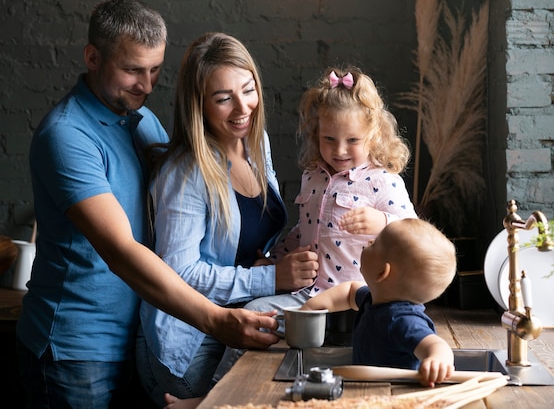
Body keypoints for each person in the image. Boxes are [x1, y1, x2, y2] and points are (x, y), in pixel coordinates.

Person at [15, 0, 280, 409]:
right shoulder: (66, 136)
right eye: (132, 70)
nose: (147, 85)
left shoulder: (143, 123)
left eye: (155, 70)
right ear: (92, 57)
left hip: (142, 332)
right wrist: (216, 319)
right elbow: (121, 251)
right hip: (78, 348)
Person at [136, 32, 319, 408]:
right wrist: (269, 277)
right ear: (198, 105)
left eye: (248, 90)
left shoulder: (256, 142)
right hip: (187, 344)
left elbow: (244, 243)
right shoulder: (185, 173)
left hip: (240, 319)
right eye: (223, 98)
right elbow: (178, 274)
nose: (242, 108)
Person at [243, 65, 418, 311]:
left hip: (360, 302)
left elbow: (416, 235)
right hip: (309, 297)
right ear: (317, 134)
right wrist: (274, 263)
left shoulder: (383, 180)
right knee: (251, 312)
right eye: (329, 139)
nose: (340, 150)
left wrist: (383, 222)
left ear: (374, 135)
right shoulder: (312, 177)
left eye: (353, 140)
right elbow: (305, 232)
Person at [301, 217, 457, 387]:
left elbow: (435, 344)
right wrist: (310, 307)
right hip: (368, 389)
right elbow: (349, 291)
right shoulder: (374, 299)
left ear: (383, 272)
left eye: (374, 244)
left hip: (394, 395)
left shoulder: (403, 320)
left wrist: (438, 360)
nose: (368, 241)